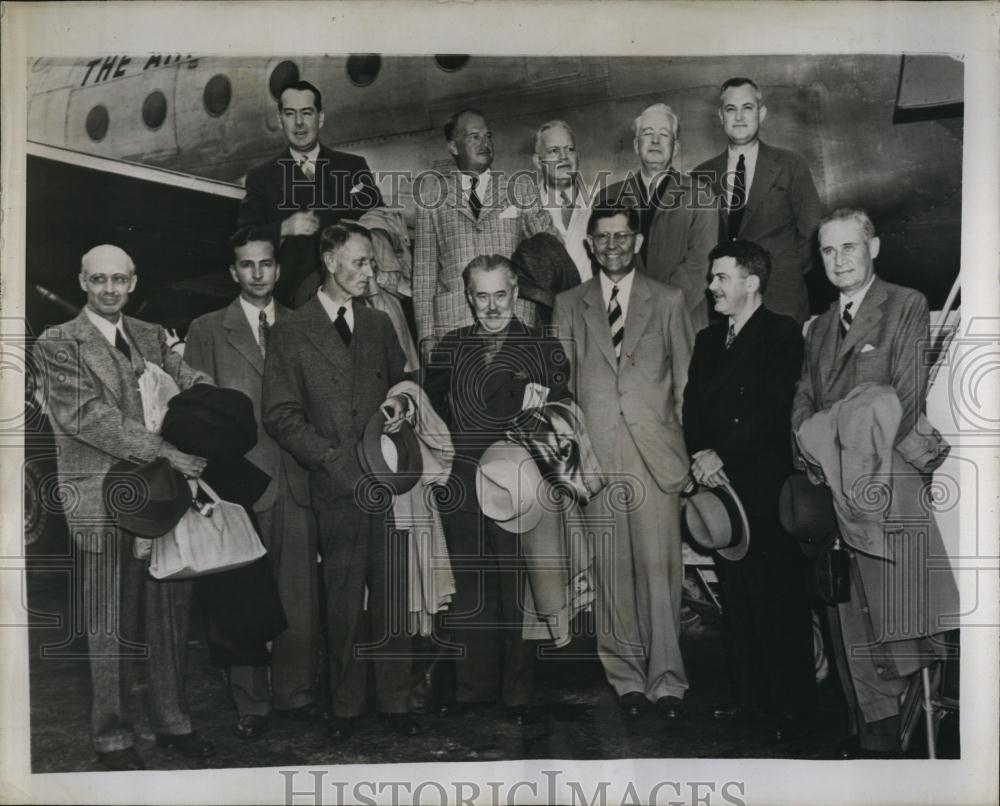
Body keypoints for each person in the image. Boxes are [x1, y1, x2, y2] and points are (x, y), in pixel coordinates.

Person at [33, 245, 214, 770]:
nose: (109, 290)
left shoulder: (152, 335)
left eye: (119, 280)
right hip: (100, 499)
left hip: (163, 498)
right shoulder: (58, 342)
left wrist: (213, 407)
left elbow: (192, 382)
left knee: (169, 616)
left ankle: (173, 722)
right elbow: (87, 418)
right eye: (98, 281)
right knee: (108, 624)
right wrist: (168, 451)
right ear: (82, 282)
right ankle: (112, 737)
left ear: (133, 282)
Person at [790, 208, 959, 758]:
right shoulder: (816, 328)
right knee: (849, 611)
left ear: (874, 248)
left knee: (900, 618)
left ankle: (917, 740)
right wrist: (818, 447)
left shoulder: (904, 305)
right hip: (837, 486)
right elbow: (803, 404)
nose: (838, 260)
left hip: (886, 484)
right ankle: (874, 737)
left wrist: (826, 436)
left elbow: (903, 399)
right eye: (828, 251)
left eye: (849, 248)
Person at [262, 221, 420, 739]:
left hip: (387, 478)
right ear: (330, 262)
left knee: (392, 595)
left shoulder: (377, 325)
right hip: (337, 483)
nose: (369, 272)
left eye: (371, 262)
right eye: (359, 262)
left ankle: (397, 703)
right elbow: (281, 415)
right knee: (345, 599)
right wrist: (331, 459)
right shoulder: (289, 332)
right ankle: (348, 708)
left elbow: (404, 380)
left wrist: (400, 404)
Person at [552, 206, 694, 722]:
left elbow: (686, 385)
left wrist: (687, 452)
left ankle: (669, 680)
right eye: (602, 237)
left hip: (654, 457)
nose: (612, 245)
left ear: (636, 241)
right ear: (589, 244)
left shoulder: (670, 300)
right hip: (597, 457)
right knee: (611, 574)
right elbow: (562, 389)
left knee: (660, 573)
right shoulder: (569, 304)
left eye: (622, 236)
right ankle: (627, 679)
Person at [423, 254, 570, 724]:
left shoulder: (543, 348)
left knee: (515, 583)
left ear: (516, 294)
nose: (491, 306)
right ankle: (471, 689)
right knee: (470, 585)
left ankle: (516, 693)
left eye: (500, 295)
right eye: (480, 296)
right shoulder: (450, 345)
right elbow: (434, 415)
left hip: (516, 482)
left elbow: (565, 415)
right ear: (468, 297)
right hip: (462, 483)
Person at [184, 229, 319, 739]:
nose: (258, 273)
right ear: (233, 272)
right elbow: (197, 412)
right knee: (239, 590)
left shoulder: (305, 325)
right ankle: (250, 701)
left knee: (298, 591)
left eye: (266, 263)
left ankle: (296, 692)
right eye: (247, 265)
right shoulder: (206, 329)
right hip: (238, 479)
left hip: (296, 472)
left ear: (278, 270)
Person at [682, 239, 815, 741]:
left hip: (762, 487)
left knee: (777, 599)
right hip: (718, 490)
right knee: (737, 601)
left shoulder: (782, 335)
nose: (711, 286)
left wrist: (723, 456)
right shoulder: (707, 341)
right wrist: (700, 454)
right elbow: (692, 407)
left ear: (752, 282)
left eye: (721, 277)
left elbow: (775, 408)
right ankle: (751, 703)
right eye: (713, 278)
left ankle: (793, 712)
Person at [238, 80, 383, 308]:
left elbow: (379, 222)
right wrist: (284, 228)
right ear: (280, 120)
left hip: (352, 301)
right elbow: (243, 238)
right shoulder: (260, 177)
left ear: (320, 118)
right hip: (293, 306)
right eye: (289, 114)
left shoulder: (353, 166)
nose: (298, 123)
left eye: (306, 113)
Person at [693, 78, 822, 325]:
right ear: (721, 116)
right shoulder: (700, 176)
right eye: (731, 109)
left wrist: (779, 274)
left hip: (782, 301)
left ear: (761, 113)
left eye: (747, 108)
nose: (739, 116)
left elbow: (811, 234)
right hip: (723, 307)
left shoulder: (791, 165)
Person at [413, 109, 543, 350]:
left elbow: (546, 250)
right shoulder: (431, 196)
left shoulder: (520, 188)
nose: (485, 143)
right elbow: (424, 273)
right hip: (453, 325)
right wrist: (426, 336)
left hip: (514, 321)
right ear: (453, 147)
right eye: (474, 136)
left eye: (488, 136)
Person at [602, 103, 717, 331]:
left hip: (684, 325)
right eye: (647, 133)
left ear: (675, 148)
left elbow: (700, 265)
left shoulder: (701, 195)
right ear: (636, 145)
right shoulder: (607, 197)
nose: (655, 141)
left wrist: (652, 313)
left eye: (664, 135)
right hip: (624, 326)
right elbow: (603, 264)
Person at [532, 120, 593, 283]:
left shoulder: (600, 199)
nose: (564, 157)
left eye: (570, 149)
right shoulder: (524, 207)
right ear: (538, 161)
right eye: (554, 151)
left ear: (577, 156)